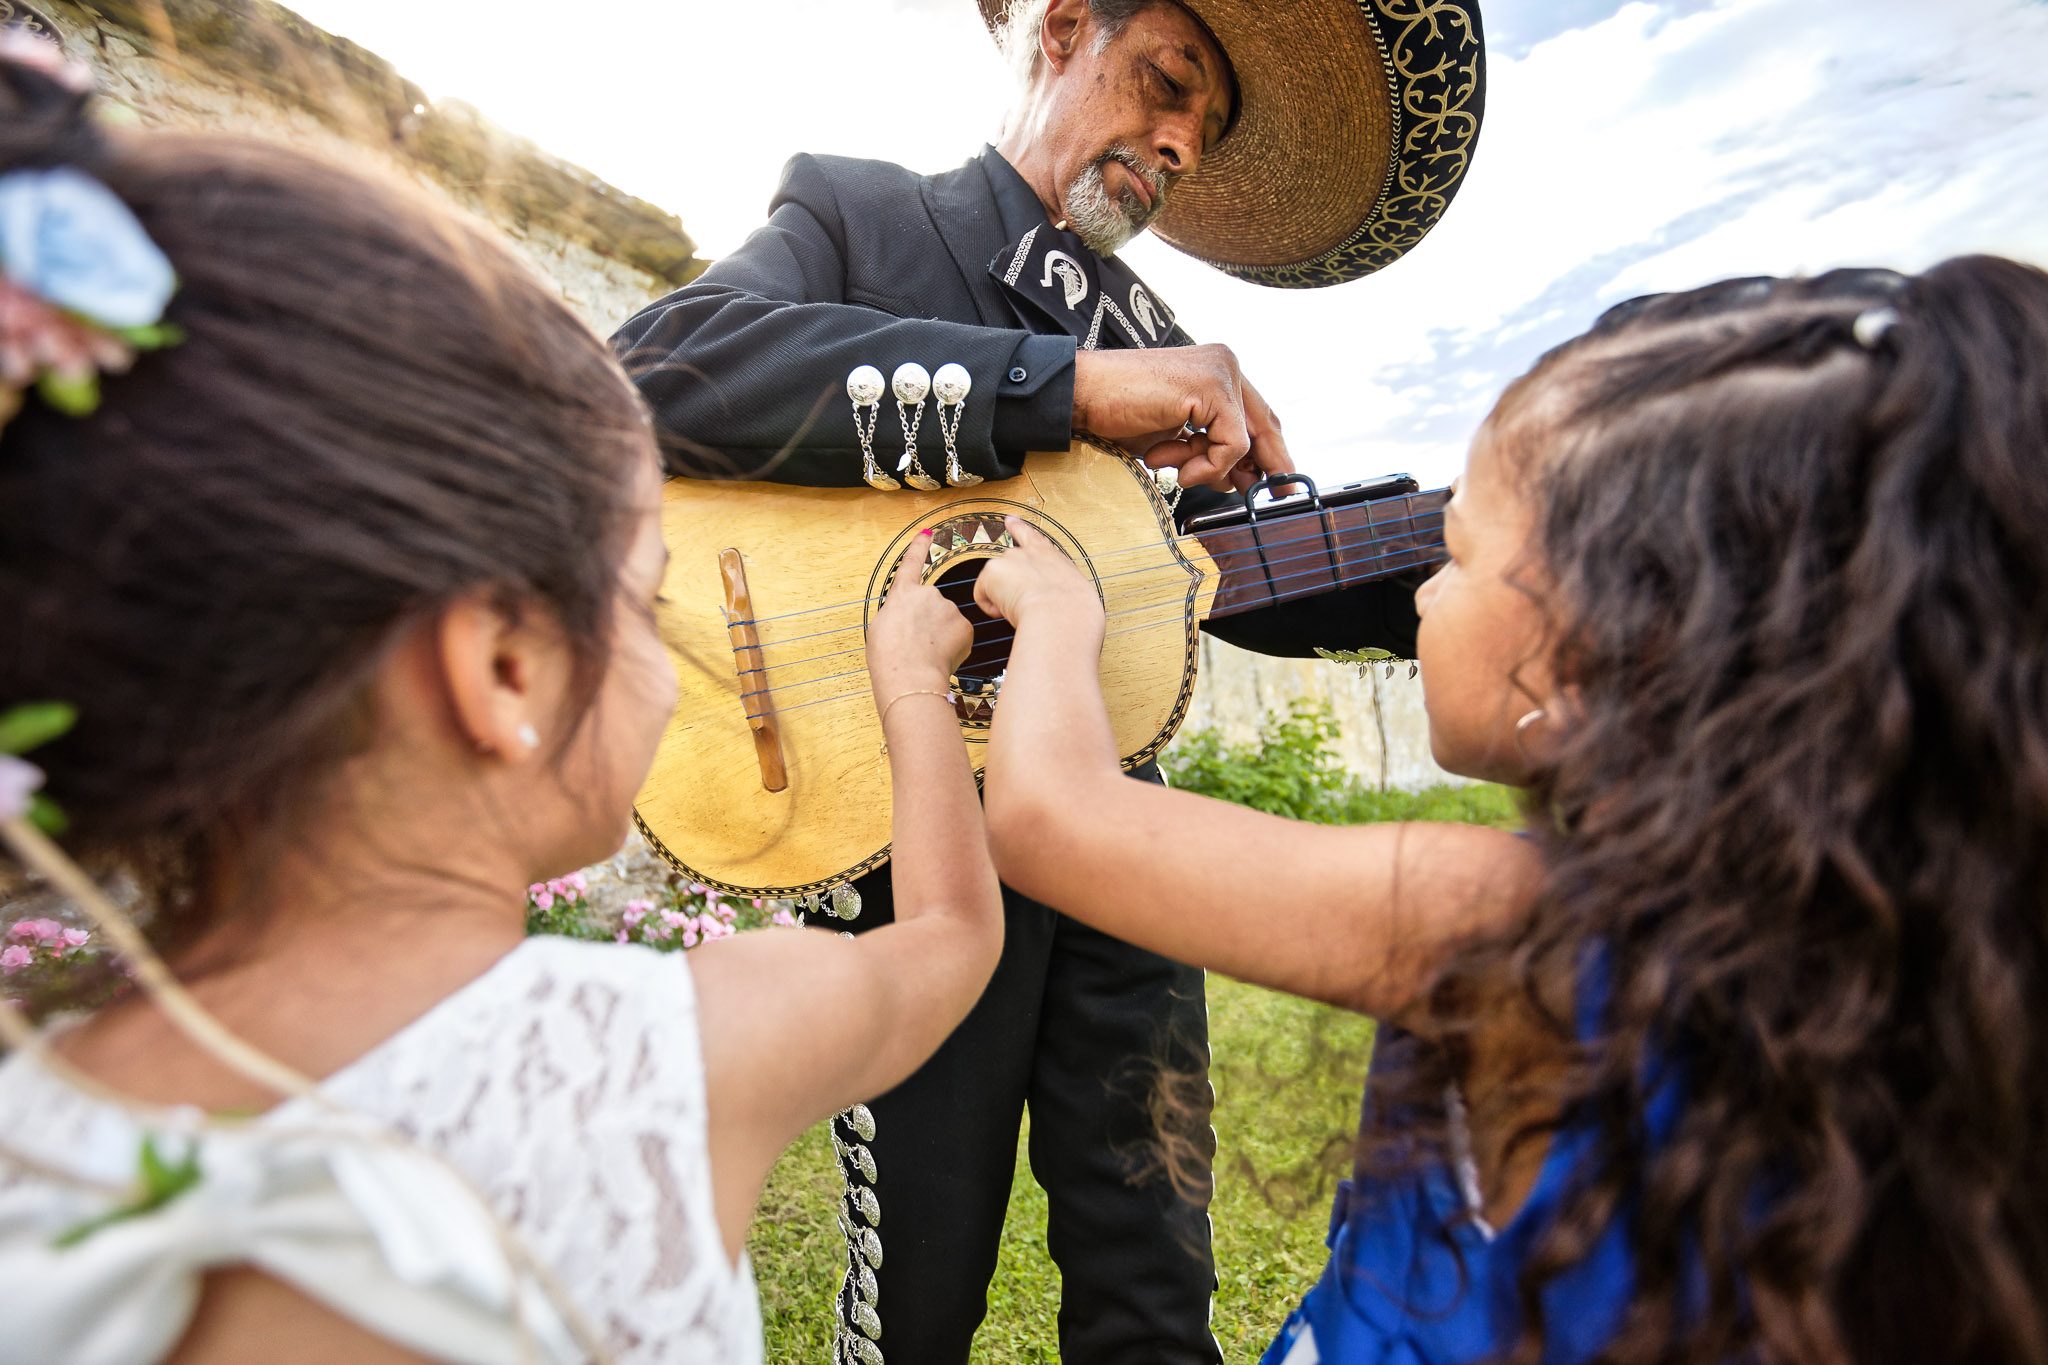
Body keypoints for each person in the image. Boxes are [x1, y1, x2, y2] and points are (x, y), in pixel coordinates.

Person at [0, 35, 1006, 1364]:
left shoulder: (35, 1127)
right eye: (644, 603)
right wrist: (910, 685)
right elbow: (945, 940)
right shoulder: (675, 1056)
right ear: (506, 670)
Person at [972, 255, 2048, 1362]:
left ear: (1595, 654)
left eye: (1458, 552)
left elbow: (1053, 817)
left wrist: (1055, 612)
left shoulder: (1505, 931)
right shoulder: (1918, 981)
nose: (1424, 592)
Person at [609, 1, 1485, 1357]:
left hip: (1122, 856)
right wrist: (1064, 390)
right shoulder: (864, 215)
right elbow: (668, 365)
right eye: (1169, 81)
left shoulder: (1162, 333)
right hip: (905, 852)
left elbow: (1178, 595)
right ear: (1066, 26)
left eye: (1207, 127)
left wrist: (1472, 552)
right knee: (922, 1288)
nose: (1182, 139)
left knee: (1154, 1275)